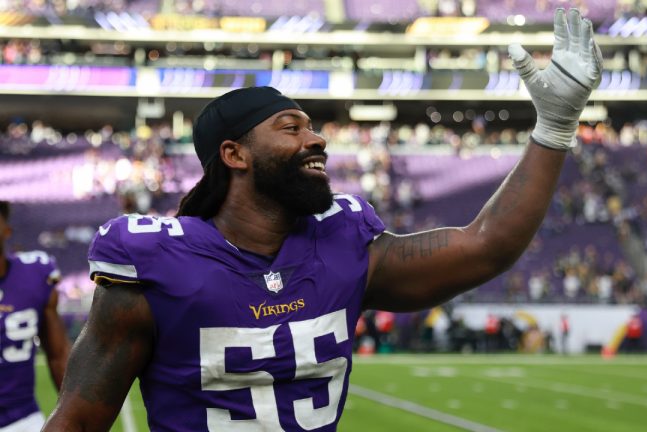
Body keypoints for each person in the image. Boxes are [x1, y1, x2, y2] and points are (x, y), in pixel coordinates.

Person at [44, 9, 602, 431]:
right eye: (291, 127)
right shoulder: (156, 263)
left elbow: (485, 246)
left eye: (312, 126)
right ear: (235, 155)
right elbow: (77, 421)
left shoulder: (344, 242)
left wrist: (554, 128)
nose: (316, 138)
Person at [0, 201, 70, 431]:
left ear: (7, 230)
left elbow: (58, 355)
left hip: (20, 419)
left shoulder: (35, 274)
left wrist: (74, 418)